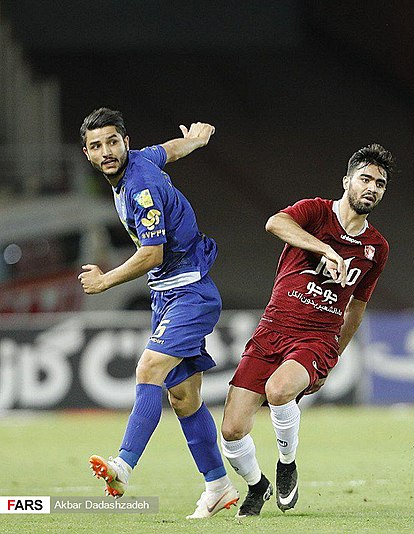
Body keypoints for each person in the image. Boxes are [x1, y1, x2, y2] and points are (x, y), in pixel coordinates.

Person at [78, 107, 238, 519]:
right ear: (88, 153)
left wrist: (104, 281)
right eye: (97, 145)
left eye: (113, 141)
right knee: (184, 398)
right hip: (168, 295)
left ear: (125, 142)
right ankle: (219, 486)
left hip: (190, 292)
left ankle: (123, 466)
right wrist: (195, 142)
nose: (107, 150)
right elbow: (168, 149)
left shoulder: (140, 187)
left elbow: (152, 253)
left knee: (148, 368)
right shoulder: (142, 160)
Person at [219, 144, 394, 517]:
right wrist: (327, 251)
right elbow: (275, 223)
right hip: (272, 329)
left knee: (279, 390)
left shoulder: (376, 248)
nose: (372, 188)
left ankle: (286, 464)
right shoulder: (315, 211)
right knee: (232, 431)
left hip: (316, 337)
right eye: (365, 178)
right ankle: (257, 485)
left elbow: (357, 307)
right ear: (347, 181)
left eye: (380, 184)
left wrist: (334, 356)